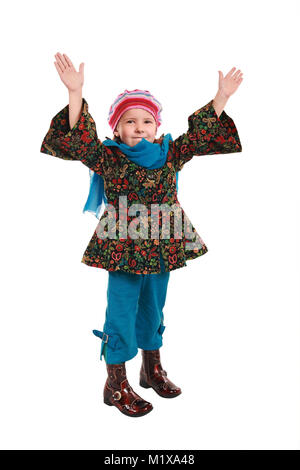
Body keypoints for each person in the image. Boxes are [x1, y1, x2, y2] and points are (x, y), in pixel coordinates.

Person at [40, 52, 243, 418]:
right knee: (121, 306)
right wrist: (75, 93)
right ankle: (115, 381)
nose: (138, 127)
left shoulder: (170, 154)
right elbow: (79, 143)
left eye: (146, 121)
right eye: (129, 121)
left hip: (164, 240)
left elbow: (198, 137)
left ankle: (151, 369)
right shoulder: (108, 158)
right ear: (116, 129)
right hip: (123, 244)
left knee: (154, 304)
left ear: (156, 127)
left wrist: (222, 98)